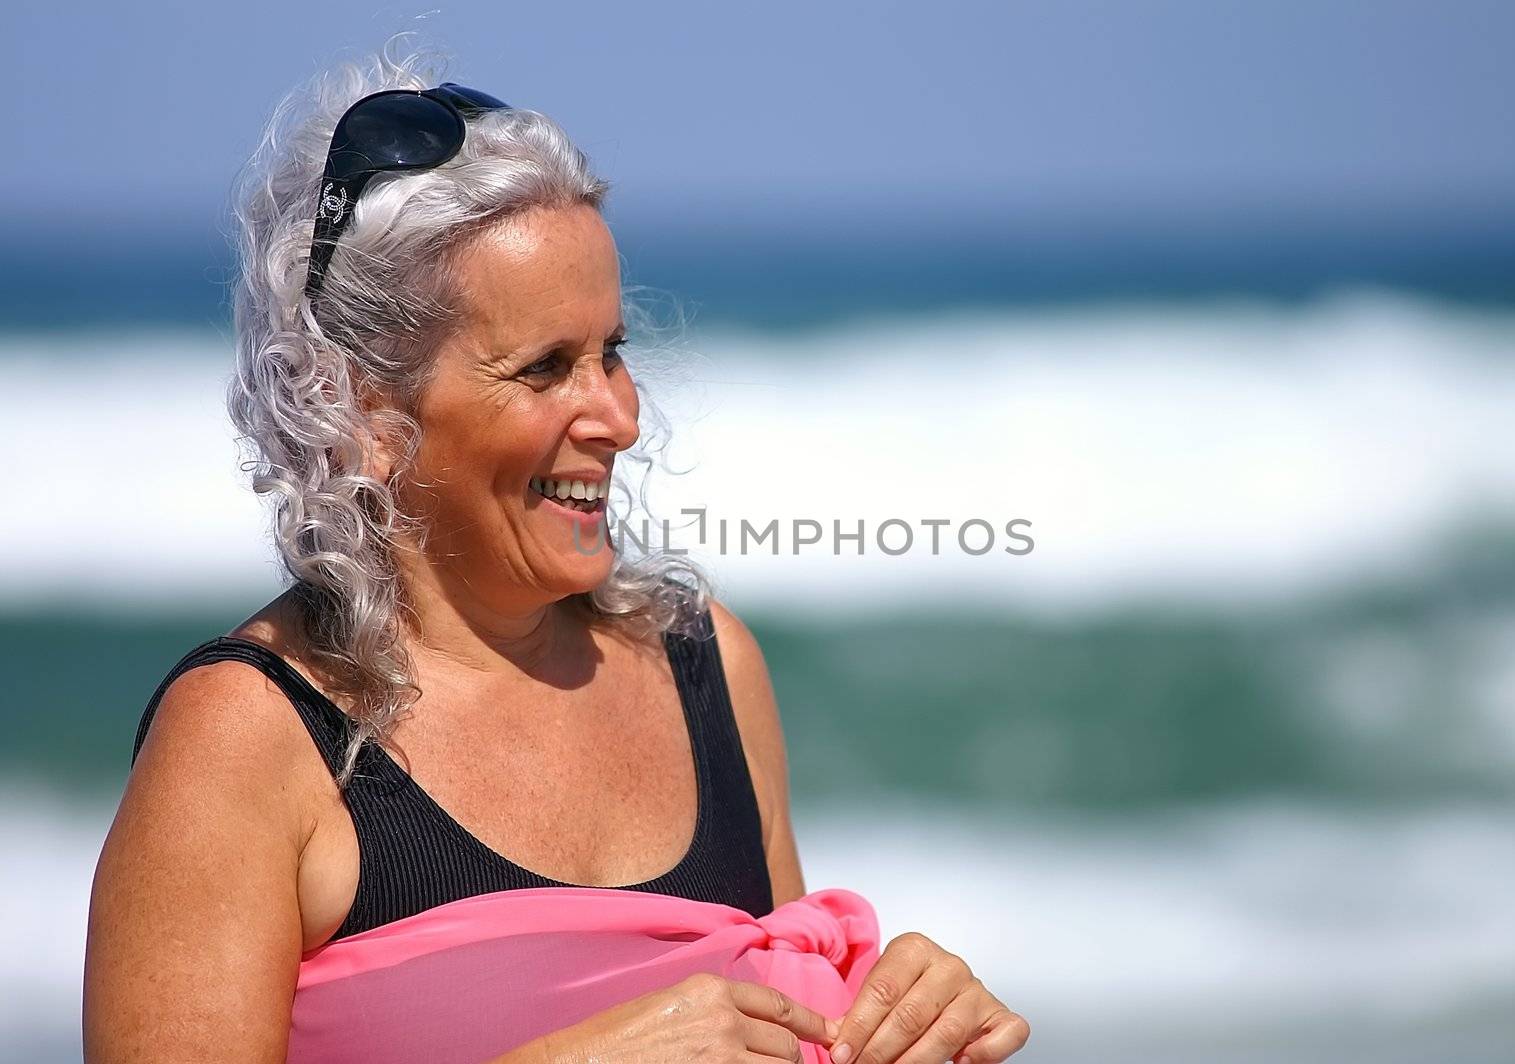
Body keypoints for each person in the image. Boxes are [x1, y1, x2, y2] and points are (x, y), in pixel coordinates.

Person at [83, 36, 1030, 1064]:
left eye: (611, 353)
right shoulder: (245, 737)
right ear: (363, 409)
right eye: (545, 369)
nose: (618, 416)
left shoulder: (705, 665)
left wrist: (914, 1027)